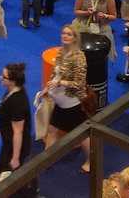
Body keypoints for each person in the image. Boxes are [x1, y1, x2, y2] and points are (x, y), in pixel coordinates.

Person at [41, 25, 90, 172]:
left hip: (73, 104)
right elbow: (55, 74)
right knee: (52, 130)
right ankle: (45, 160)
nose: (65, 36)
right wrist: (47, 88)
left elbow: (80, 83)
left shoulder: (79, 57)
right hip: (60, 102)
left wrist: (61, 82)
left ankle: (90, 161)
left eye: (69, 34)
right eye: (63, 33)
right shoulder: (61, 52)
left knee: (83, 136)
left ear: (75, 38)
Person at [0, 63, 35, 191]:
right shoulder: (13, 90)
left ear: (13, 81)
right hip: (8, 141)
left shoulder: (17, 102)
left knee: (10, 177)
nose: (0, 78)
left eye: (4, 77)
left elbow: (18, 132)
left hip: (15, 147)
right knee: (5, 172)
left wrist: (15, 158)